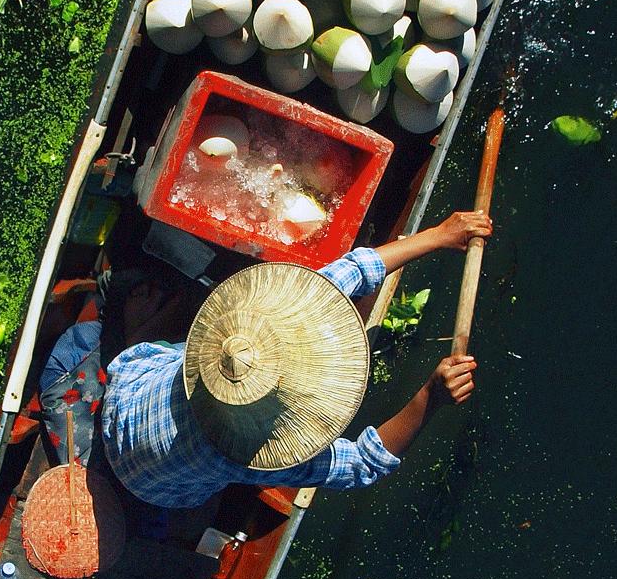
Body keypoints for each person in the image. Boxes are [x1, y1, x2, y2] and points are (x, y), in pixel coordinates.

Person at [37, 211, 490, 511]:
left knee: (95, 338)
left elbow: (347, 273)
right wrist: (429, 397)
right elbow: (362, 465)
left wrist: (437, 235)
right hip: (153, 486)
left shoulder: (209, 355)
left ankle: (148, 316)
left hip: (128, 414)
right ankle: (148, 319)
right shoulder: (250, 458)